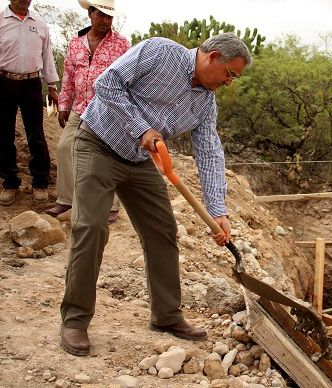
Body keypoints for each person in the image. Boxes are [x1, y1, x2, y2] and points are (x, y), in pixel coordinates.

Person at [59, 33, 252, 356]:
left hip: (140, 160)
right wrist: (141, 128)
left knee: (163, 231)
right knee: (91, 227)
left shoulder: (205, 102)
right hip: (98, 144)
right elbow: (106, 84)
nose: (229, 82)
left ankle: (166, 315)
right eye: (229, 74)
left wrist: (218, 211)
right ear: (213, 56)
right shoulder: (159, 52)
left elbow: (208, 151)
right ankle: (75, 321)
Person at [46, 0, 129, 223]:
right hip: (80, 108)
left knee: (107, 154)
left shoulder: (121, 45)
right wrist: (63, 106)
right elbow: (69, 78)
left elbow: (129, 79)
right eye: (101, 15)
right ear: (90, 14)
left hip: (107, 111)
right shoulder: (75, 43)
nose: (105, 21)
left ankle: (111, 205)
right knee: (65, 147)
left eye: (109, 17)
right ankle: (67, 200)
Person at [0, 0, 59, 206]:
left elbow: (47, 55)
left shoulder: (40, 24)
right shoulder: (0, 20)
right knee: (4, 134)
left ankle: (40, 182)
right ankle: (10, 183)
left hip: (31, 83)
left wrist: (52, 86)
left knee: (36, 134)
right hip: (3, 82)